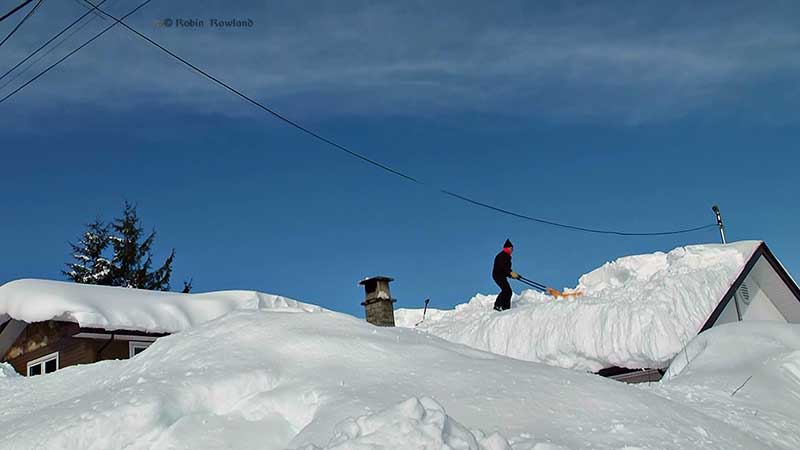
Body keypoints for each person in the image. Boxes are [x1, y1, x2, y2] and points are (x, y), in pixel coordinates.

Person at [492, 239, 519, 311]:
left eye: (512, 249)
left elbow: (506, 270)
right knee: (506, 290)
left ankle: (506, 307)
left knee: (508, 291)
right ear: (506, 248)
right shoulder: (502, 256)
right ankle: (498, 305)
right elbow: (504, 267)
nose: (512, 250)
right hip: (497, 275)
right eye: (511, 248)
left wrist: (514, 276)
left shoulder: (507, 256)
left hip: (501, 275)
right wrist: (511, 273)